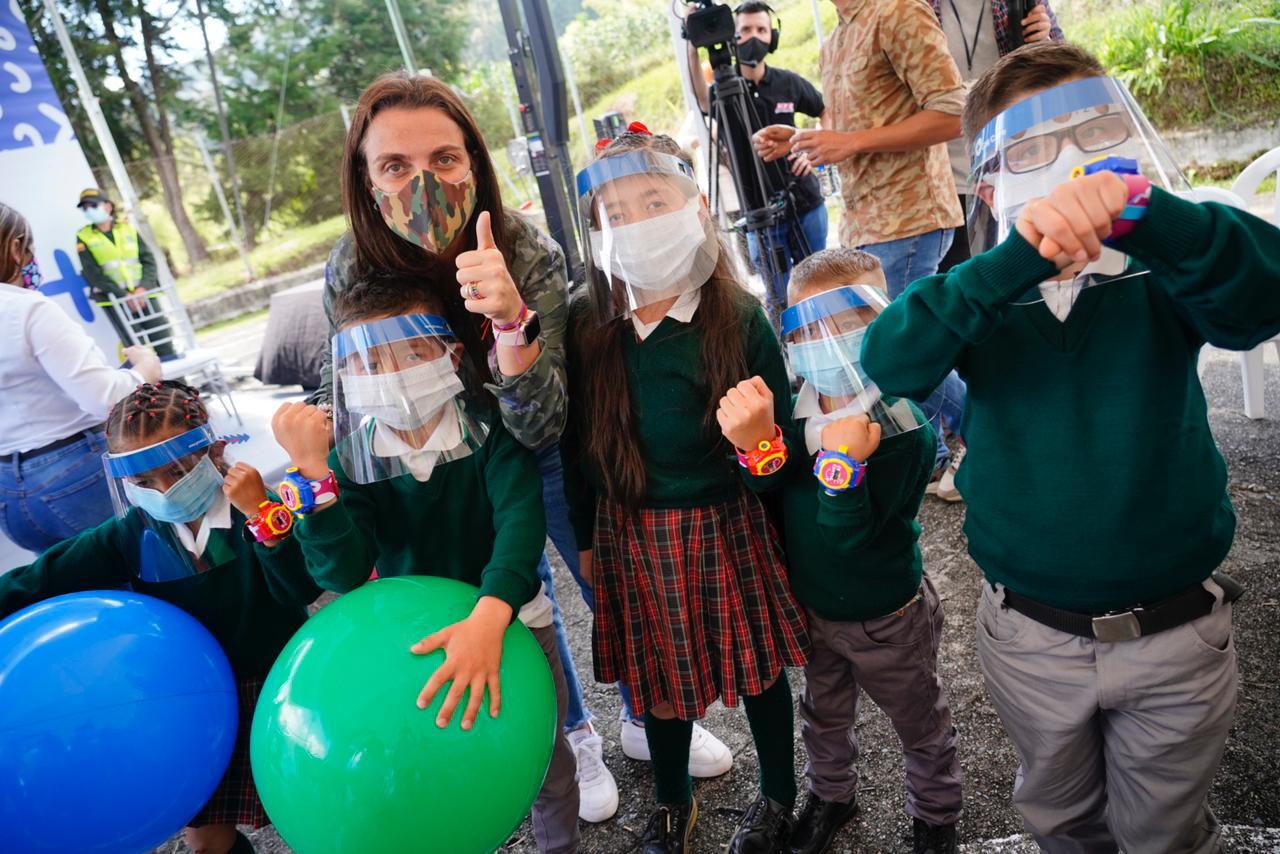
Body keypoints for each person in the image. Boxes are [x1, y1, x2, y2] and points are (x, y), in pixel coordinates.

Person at [862, 42, 1280, 853]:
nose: (1073, 164)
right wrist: (1018, 259)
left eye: (1098, 132)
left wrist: (1154, 217)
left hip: (1178, 634)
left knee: (1167, 831)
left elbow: (1259, 299)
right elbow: (888, 361)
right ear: (989, 183)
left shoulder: (1160, 273)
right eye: (1033, 149)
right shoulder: (979, 296)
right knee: (1059, 819)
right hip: (1032, 636)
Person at [316, 72, 731, 820]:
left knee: (604, 577)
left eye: (444, 159)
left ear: (474, 161)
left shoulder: (526, 249)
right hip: (438, 461)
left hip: (535, 444)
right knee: (509, 598)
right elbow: (347, 395)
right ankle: (568, 733)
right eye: (394, 166)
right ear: (365, 178)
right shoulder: (352, 267)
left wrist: (511, 325)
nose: (423, 182)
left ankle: (646, 713)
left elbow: (541, 424)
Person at [271, 274, 580, 853]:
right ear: (344, 376)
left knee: (544, 757)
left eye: (409, 352)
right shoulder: (351, 458)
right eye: (366, 361)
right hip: (412, 644)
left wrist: (491, 618)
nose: (388, 374)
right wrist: (316, 479)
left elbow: (519, 528)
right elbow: (340, 572)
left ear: (449, 354)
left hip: (514, 625)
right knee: (426, 760)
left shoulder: (490, 428)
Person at [563, 129, 810, 854]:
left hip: (723, 522)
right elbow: (579, 449)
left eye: (653, 201)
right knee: (658, 675)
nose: (637, 222)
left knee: (759, 669)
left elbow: (777, 456)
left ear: (696, 207)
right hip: (629, 530)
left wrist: (760, 444)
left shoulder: (737, 315)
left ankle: (779, 799)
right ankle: (672, 804)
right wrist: (584, 539)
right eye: (616, 211)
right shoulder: (589, 324)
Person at [0, 381, 323, 854]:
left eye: (177, 470)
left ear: (213, 449)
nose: (165, 491)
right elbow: (40, 578)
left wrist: (262, 517)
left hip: (279, 684)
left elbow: (302, 588)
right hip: (189, 706)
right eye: (145, 482)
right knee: (206, 838)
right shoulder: (130, 532)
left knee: (308, 807)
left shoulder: (260, 506)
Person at [738, 248, 961, 854]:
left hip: (885, 614)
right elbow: (772, 484)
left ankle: (936, 818)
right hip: (814, 609)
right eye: (807, 327)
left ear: (883, 322)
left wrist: (841, 466)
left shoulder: (903, 425)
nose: (825, 341)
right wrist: (757, 445)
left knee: (920, 721)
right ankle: (832, 795)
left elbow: (850, 534)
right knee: (823, 715)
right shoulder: (793, 405)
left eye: (846, 321)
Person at [752, 0, 970, 500]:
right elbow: (853, 127)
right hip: (863, 218)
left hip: (908, 213)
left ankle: (978, 432)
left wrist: (849, 142)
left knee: (893, 348)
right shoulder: (838, 35)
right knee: (880, 348)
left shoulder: (897, 11)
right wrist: (805, 139)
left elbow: (951, 113)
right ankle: (934, 450)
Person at [0, 203, 161, 553]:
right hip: (73, 477)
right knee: (142, 575)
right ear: (14, 247)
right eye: (27, 245)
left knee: (78, 592)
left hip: (8, 494)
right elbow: (104, 398)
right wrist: (144, 370)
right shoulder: (27, 309)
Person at [687, 1, 829, 327]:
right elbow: (700, 95)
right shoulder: (722, 92)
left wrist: (813, 153)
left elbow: (823, 109)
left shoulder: (789, 83)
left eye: (762, 30)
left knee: (821, 286)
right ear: (732, 37)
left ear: (772, 37)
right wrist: (694, 48)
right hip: (757, 212)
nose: (754, 37)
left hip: (805, 203)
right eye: (746, 30)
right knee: (779, 299)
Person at [932, 0, 1064, 273]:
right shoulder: (916, 7)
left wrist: (1045, 40)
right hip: (946, 174)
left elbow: (1063, 69)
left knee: (1033, 270)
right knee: (968, 279)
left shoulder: (1019, 3)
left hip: (1017, 164)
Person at [75, 188, 177, 359]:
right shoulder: (83, 237)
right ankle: (150, 387)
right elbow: (93, 274)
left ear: (107, 206)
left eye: (93, 205)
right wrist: (124, 296)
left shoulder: (127, 229)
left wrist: (143, 288)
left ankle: (178, 386)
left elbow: (148, 260)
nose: (89, 210)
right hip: (116, 302)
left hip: (145, 296)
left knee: (164, 344)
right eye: (84, 208)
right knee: (137, 353)